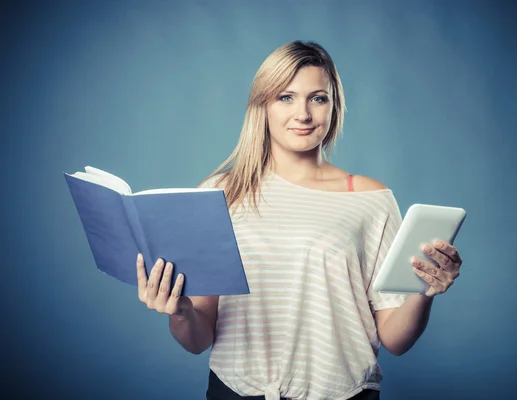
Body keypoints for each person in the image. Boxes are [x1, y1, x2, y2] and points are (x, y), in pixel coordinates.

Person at [135, 41, 463, 400]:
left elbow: (395, 340)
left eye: (317, 98)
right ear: (263, 105)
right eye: (286, 97)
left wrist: (426, 292)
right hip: (236, 392)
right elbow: (197, 341)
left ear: (334, 107)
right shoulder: (220, 193)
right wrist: (180, 312)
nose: (303, 114)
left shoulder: (370, 199)